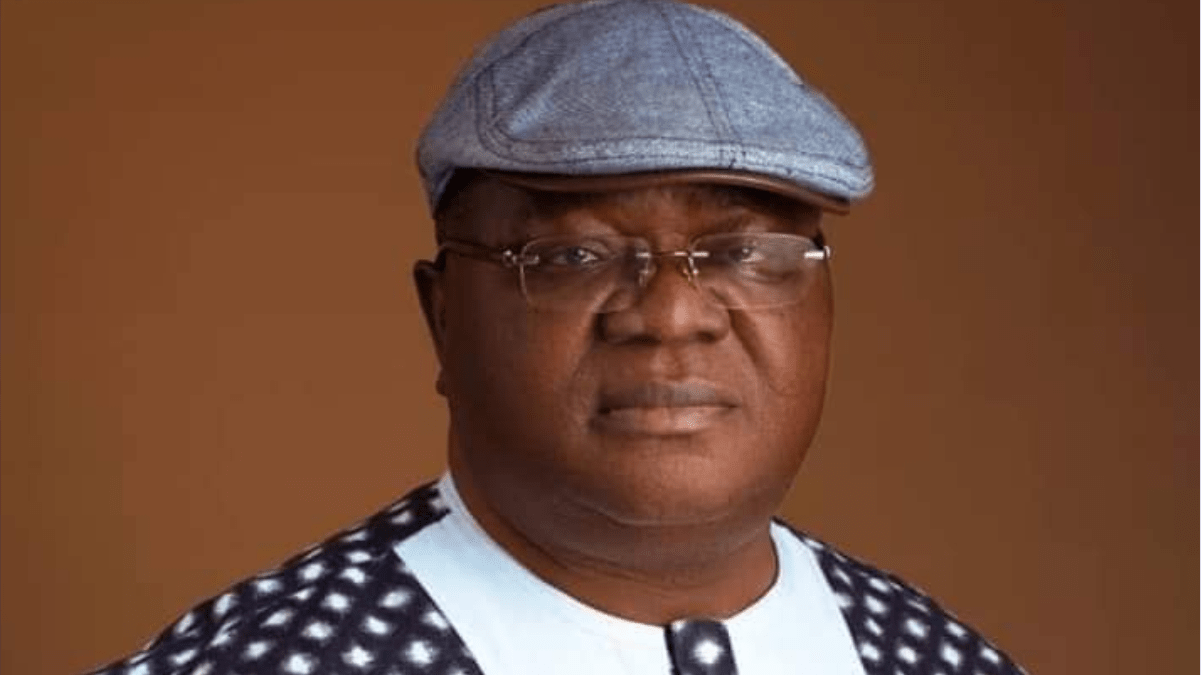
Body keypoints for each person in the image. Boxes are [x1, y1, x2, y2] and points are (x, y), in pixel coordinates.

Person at [84, 1, 1026, 674]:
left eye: (743, 251)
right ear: (443, 319)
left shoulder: (934, 657)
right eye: (573, 255)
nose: (670, 314)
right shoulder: (272, 658)